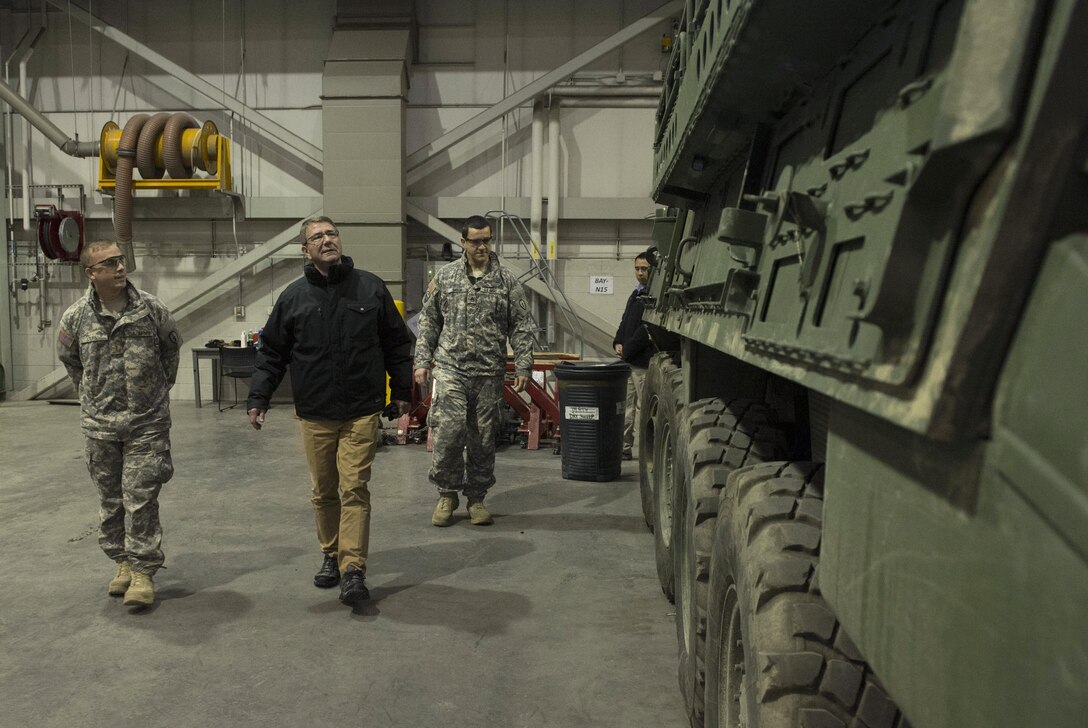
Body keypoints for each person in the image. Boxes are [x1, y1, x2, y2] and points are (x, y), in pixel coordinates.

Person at [246, 216, 413, 607]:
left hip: (361, 409)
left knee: (354, 487)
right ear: (306, 250)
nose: (327, 240)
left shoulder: (370, 288)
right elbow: (272, 352)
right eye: (317, 237)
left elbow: (396, 343)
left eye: (331, 233)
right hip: (316, 412)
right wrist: (258, 398)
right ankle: (331, 554)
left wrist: (403, 391)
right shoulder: (293, 297)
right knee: (324, 492)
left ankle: (353, 569)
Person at [57, 241, 182, 608]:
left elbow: (170, 351)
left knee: (140, 498)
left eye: (120, 260)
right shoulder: (75, 317)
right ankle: (122, 563)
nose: (118, 267)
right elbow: (70, 360)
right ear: (91, 273)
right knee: (110, 501)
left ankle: (143, 573)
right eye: (108, 263)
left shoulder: (151, 309)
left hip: (146, 424)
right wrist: (92, 396)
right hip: (100, 426)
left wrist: (155, 392)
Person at [414, 215, 536, 527]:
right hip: (451, 368)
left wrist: (523, 364)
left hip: (488, 373)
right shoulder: (445, 277)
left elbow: (521, 327)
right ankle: (446, 493)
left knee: (483, 438)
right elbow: (428, 322)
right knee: (449, 432)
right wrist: (421, 362)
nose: (482, 246)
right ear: (463, 243)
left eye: (486, 240)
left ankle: (477, 498)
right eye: (475, 241)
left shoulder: (507, 282)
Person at [613, 252, 653, 460]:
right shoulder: (636, 293)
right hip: (628, 361)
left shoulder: (653, 295)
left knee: (644, 409)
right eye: (637, 268)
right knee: (626, 407)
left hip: (642, 363)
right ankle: (624, 448)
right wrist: (618, 341)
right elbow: (625, 322)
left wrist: (627, 349)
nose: (639, 272)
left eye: (644, 269)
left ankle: (648, 452)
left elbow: (647, 330)